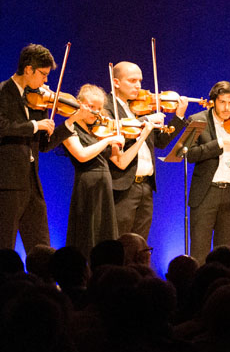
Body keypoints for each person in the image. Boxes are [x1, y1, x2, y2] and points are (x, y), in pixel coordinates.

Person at [0, 44, 85, 251]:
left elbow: (44, 145)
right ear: (29, 69)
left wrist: (71, 122)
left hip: (32, 182)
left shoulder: (39, 99)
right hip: (7, 183)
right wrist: (34, 125)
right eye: (43, 74)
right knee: (5, 244)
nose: (46, 80)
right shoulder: (3, 92)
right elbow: (2, 127)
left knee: (42, 246)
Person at [106, 61, 187, 239]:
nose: (138, 86)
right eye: (132, 80)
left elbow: (161, 142)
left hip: (146, 186)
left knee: (140, 242)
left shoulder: (140, 108)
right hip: (123, 186)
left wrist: (178, 117)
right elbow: (117, 132)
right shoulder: (107, 108)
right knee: (119, 240)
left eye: (140, 81)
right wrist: (145, 121)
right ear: (116, 82)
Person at [61, 85, 128, 259]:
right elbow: (82, 155)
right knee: (88, 231)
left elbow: (117, 159)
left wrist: (118, 143)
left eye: (99, 108)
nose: (96, 112)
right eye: (91, 107)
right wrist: (107, 141)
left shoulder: (99, 129)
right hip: (87, 184)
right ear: (79, 104)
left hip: (104, 183)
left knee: (104, 231)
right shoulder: (70, 128)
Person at [185, 81, 230, 265]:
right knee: (199, 251)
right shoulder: (198, 120)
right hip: (207, 192)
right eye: (222, 102)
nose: (227, 108)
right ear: (213, 101)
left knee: (225, 254)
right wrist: (220, 143)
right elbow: (190, 154)